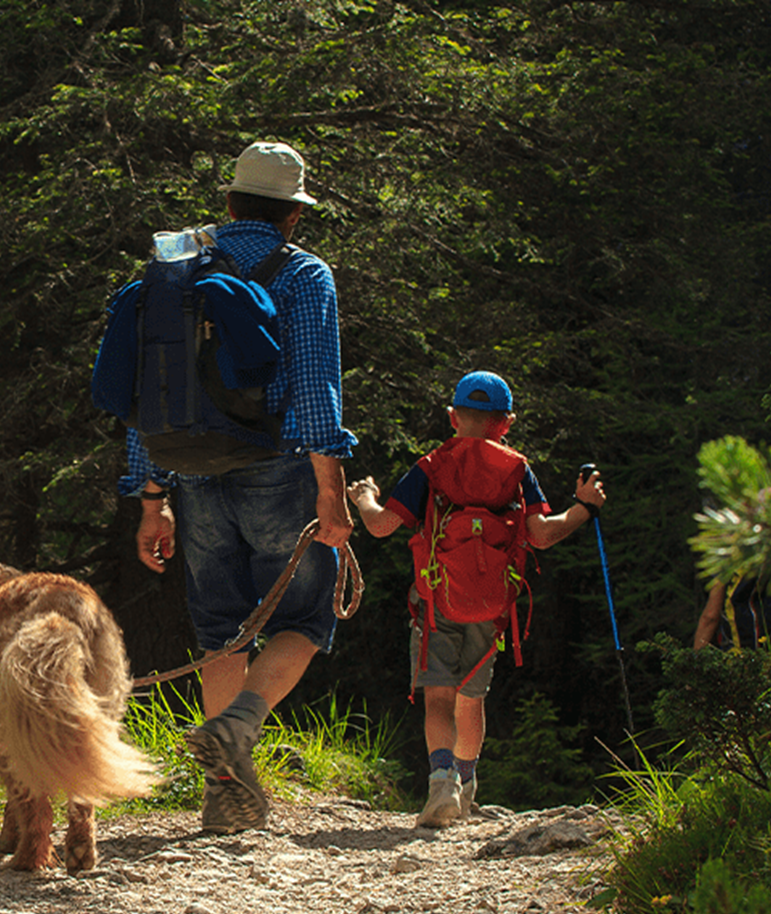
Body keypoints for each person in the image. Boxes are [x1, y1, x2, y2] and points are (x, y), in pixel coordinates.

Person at [124, 140, 356, 835]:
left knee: (221, 631)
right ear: (293, 216)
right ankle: (240, 725)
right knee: (307, 620)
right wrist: (332, 493)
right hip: (279, 466)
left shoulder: (178, 266)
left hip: (191, 471)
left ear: (228, 204)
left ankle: (226, 797)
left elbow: (149, 391)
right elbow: (316, 392)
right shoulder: (303, 273)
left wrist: (150, 493)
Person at [345, 371, 605, 828]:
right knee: (472, 698)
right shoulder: (517, 469)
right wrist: (585, 506)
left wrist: (365, 497)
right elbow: (541, 535)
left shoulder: (432, 465)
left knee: (438, 698)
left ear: (452, 417)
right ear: (505, 423)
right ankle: (466, 786)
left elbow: (384, 525)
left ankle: (441, 782)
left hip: (436, 597)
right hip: (492, 604)